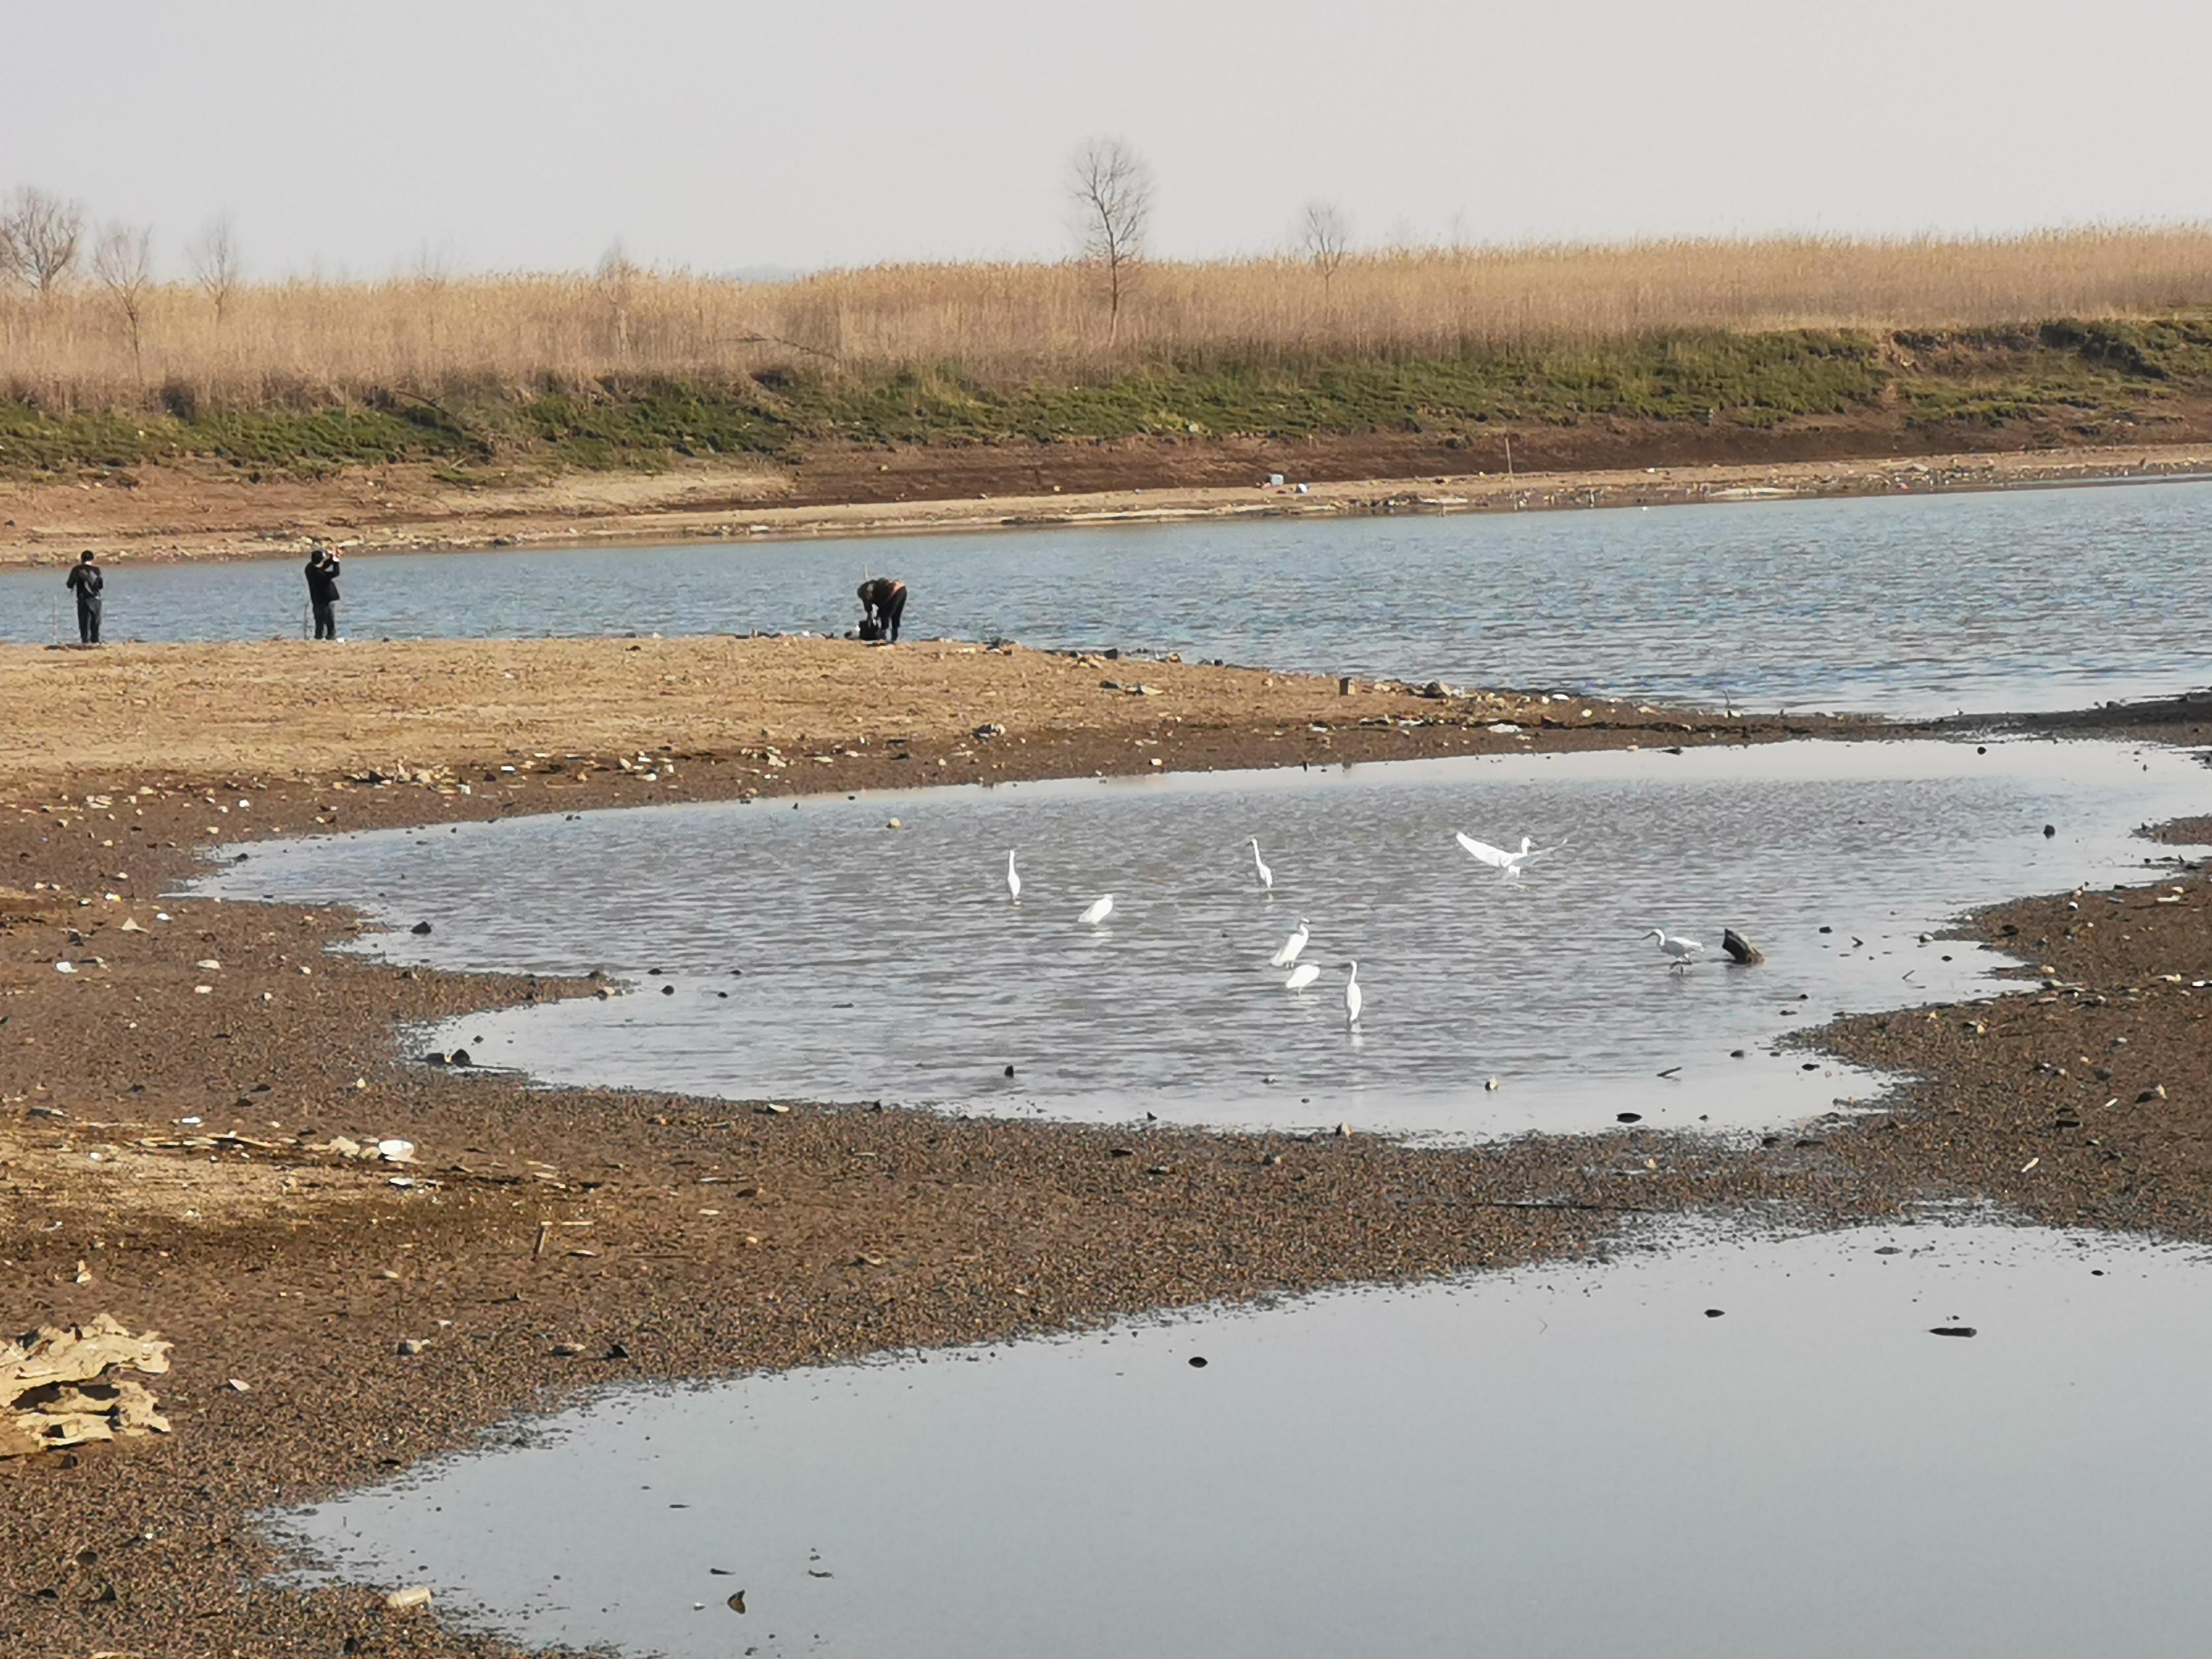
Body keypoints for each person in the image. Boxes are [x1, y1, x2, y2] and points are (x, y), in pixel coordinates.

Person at [64, 550, 102, 645]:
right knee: (95, 624)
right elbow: (100, 586)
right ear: (92, 559)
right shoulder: (97, 570)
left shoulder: (77, 570)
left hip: (84, 600)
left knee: (85, 624)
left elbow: (69, 584)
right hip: (96, 600)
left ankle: (86, 643)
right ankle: (96, 643)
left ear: (82, 559)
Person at [305, 546, 343, 640]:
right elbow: (335, 573)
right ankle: (327, 636)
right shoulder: (319, 574)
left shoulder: (309, 568)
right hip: (323, 599)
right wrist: (336, 560)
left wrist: (332, 558)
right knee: (326, 619)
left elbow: (323, 565)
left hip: (317, 598)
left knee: (321, 619)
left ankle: (321, 636)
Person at [857, 576, 906, 643]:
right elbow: (869, 608)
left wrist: (877, 614)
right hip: (902, 589)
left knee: (886, 615)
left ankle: (885, 636)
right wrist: (871, 615)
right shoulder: (869, 590)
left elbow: (884, 605)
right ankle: (894, 638)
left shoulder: (872, 592)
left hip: (896, 592)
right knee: (894, 616)